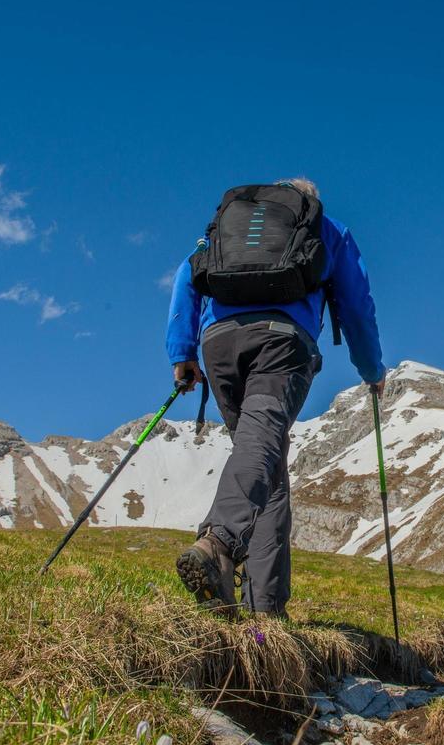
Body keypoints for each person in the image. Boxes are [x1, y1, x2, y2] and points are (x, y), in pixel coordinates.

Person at [165, 177, 385, 618]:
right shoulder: (328, 228)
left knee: (267, 462)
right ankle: (220, 545)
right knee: (262, 445)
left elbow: (186, 276)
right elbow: (357, 306)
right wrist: (372, 371)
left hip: (219, 344)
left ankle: (263, 609)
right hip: (281, 343)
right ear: (309, 203)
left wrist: (182, 352)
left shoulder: (227, 225)